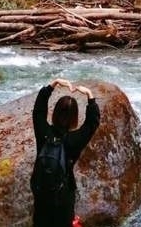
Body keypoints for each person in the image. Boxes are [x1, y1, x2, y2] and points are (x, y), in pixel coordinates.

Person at [31, 78, 100, 227]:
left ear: (55, 113)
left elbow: (38, 110)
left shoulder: (43, 131)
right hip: (63, 195)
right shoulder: (74, 140)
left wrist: (53, 84)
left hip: (41, 189)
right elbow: (92, 123)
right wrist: (90, 96)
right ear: (74, 118)